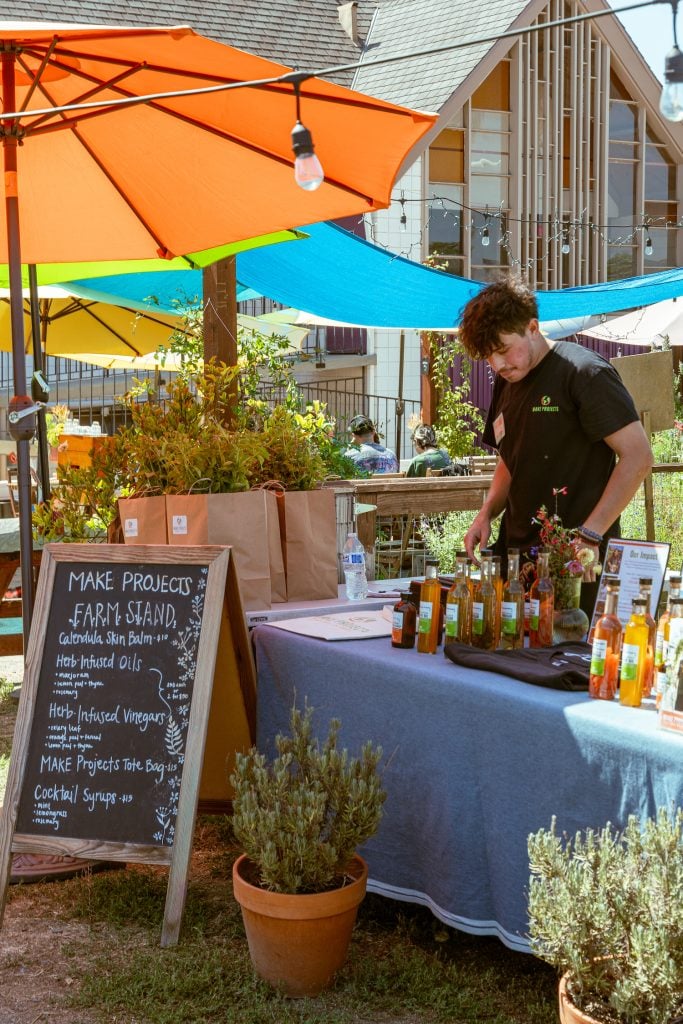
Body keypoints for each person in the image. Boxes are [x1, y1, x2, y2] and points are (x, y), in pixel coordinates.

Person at [459, 277, 653, 615]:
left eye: (503, 350)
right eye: (489, 357)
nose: (498, 365)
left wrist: (590, 534)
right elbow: (509, 457)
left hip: (577, 561)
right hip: (517, 559)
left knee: (570, 660)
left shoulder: (585, 373)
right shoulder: (507, 383)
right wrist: (486, 512)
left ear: (532, 327)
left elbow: (638, 457)